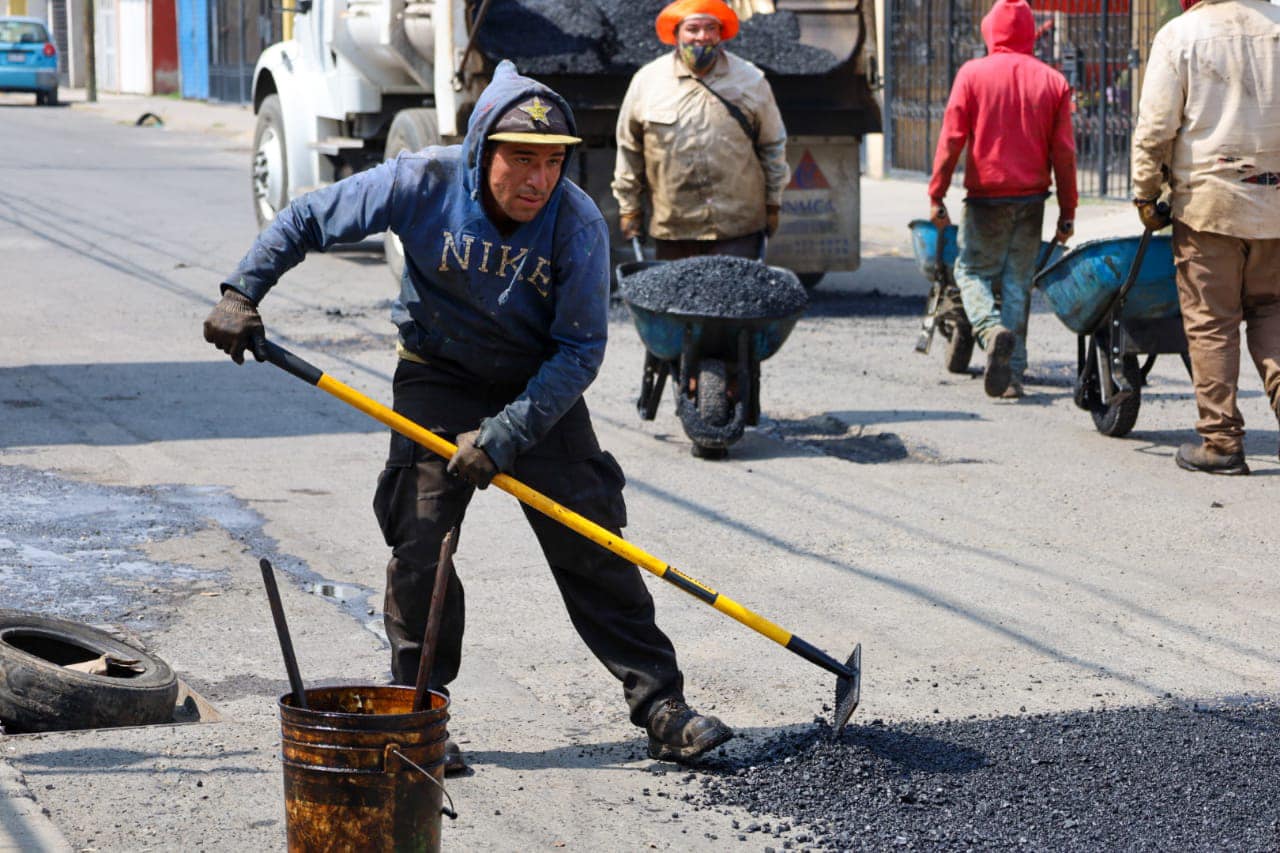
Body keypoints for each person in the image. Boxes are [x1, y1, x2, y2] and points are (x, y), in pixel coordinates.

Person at [203, 61, 733, 768]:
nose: (537, 180)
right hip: (438, 371)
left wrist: (508, 433)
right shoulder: (420, 180)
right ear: (484, 148)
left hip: (537, 382)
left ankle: (661, 703)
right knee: (420, 540)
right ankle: (418, 714)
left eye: (551, 162)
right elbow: (305, 217)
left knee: (591, 537)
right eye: (521, 160)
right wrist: (243, 290)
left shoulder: (576, 225)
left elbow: (579, 350)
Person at [1131, 0, 1280, 476]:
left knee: (1213, 323)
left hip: (1210, 203)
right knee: (1271, 312)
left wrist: (1145, 193)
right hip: (1275, 203)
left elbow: (1155, 127)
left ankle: (1220, 443)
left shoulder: (1182, 34)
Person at [927, 0, 1077, 399]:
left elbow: (951, 140)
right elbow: (1064, 153)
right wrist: (1068, 210)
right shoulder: (1053, 81)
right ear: (1030, 34)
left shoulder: (972, 75)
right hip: (1031, 200)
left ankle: (991, 332)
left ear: (990, 31)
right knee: (1017, 282)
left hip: (985, 200)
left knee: (972, 273)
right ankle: (1011, 375)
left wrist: (937, 193)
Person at [613, 0, 789, 261]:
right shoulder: (647, 82)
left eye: (710, 28)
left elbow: (772, 145)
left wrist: (773, 203)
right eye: (693, 29)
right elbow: (629, 149)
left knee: (734, 300)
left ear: (721, 34)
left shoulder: (750, 80)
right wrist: (629, 209)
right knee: (674, 301)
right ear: (676, 34)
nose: (702, 36)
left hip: (737, 227)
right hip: (674, 228)